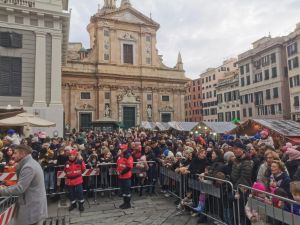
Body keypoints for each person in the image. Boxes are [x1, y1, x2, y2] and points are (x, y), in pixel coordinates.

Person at [0, 144, 48, 225]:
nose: (13, 155)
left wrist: (1, 191)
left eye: (15, 153)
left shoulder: (28, 167)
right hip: (33, 207)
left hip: (32, 209)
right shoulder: (30, 163)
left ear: (23, 154)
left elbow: (20, 188)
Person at [116, 144, 134, 209]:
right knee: (123, 191)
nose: (121, 150)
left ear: (126, 148)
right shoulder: (121, 155)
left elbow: (129, 167)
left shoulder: (128, 156)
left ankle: (128, 204)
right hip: (121, 176)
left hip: (126, 176)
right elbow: (118, 164)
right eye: (120, 149)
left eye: (122, 149)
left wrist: (122, 172)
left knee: (127, 191)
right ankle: (124, 202)